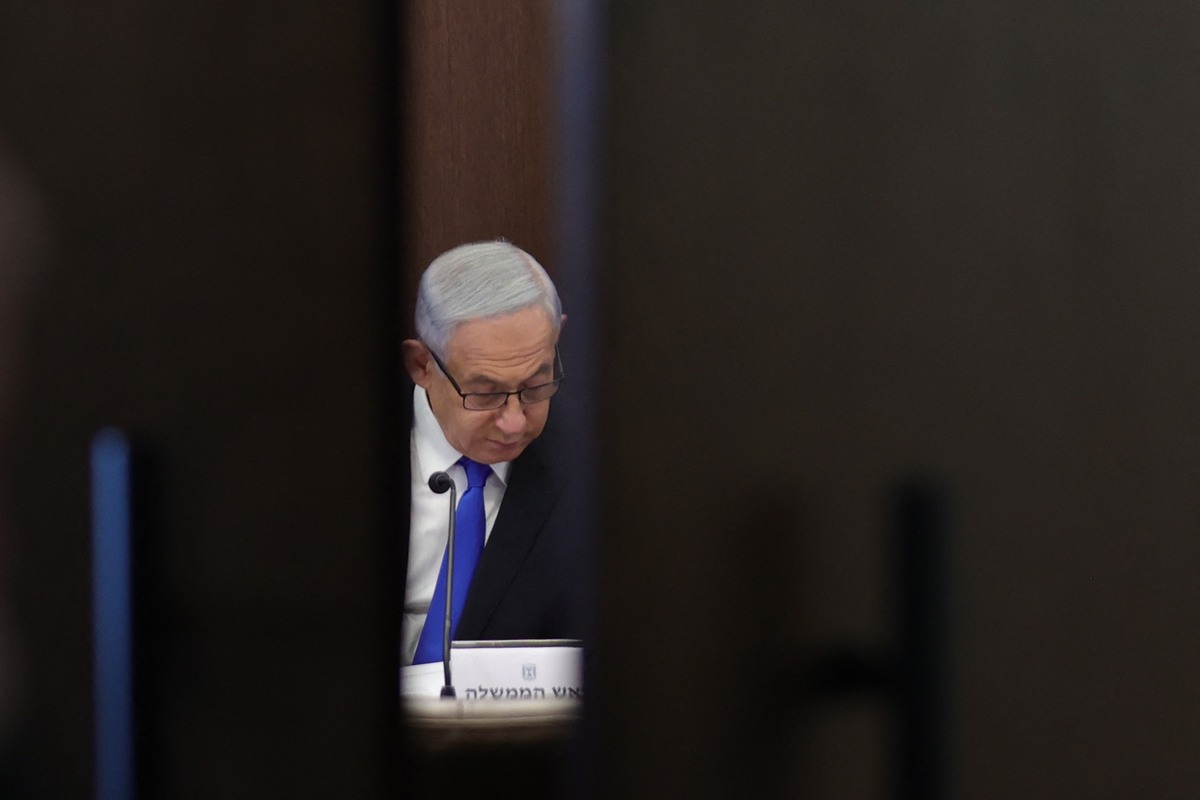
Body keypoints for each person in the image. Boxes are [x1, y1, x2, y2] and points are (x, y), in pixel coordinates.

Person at [400, 241, 583, 666]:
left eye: (537, 384)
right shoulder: (332, 453)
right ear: (422, 365)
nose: (516, 422)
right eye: (486, 393)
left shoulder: (591, 462)